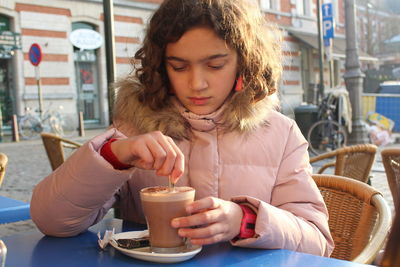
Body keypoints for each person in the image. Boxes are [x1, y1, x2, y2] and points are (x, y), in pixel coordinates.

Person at [31, 0, 334, 256]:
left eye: (215, 66)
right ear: (161, 66)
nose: (197, 83)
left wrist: (245, 220)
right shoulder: (133, 126)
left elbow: (317, 240)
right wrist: (115, 155)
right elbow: (53, 221)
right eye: (178, 66)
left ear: (245, 63)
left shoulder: (281, 135)